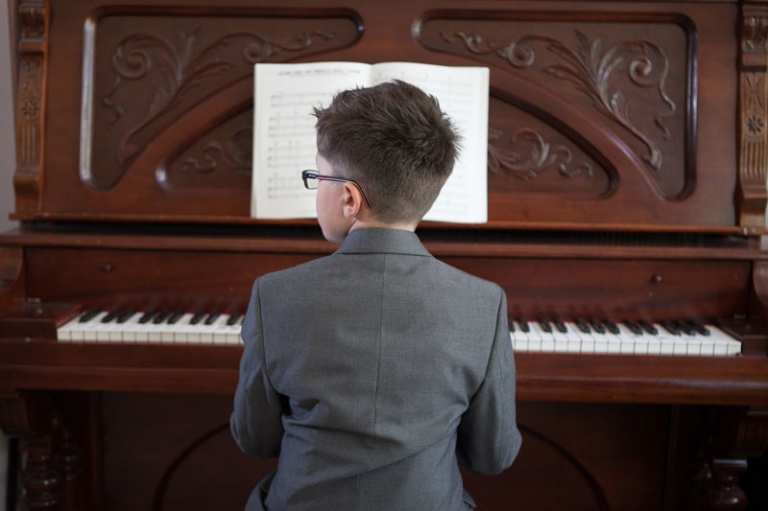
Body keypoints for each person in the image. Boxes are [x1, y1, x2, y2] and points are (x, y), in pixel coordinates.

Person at [231, 79, 522, 510]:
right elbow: (492, 456)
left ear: (349, 198)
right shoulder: (484, 303)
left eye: (318, 177)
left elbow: (255, 439)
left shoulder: (273, 294)